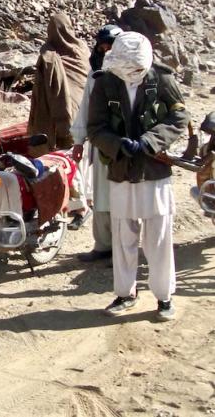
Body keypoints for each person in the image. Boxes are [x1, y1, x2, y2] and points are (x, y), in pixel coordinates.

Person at [87, 31, 188, 321]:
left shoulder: (161, 78)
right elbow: (96, 127)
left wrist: (149, 141)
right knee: (123, 236)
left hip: (154, 170)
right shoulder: (105, 83)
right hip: (121, 170)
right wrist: (119, 146)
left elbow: (179, 117)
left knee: (158, 238)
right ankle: (124, 293)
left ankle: (164, 297)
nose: (135, 73)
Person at [71, 25, 123, 262]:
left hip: (125, 144)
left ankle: (123, 250)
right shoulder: (96, 76)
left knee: (123, 198)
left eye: (109, 46)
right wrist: (79, 140)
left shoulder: (131, 73)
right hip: (101, 142)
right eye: (102, 47)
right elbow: (86, 109)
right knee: (102, 196)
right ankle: (103, 245)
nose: (105, 50)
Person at [28, 13, 91, 156]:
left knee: (65, 151)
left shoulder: (48, 55)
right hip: (86, 108)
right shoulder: (83, 48)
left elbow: (42, 89)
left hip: (61, 111)